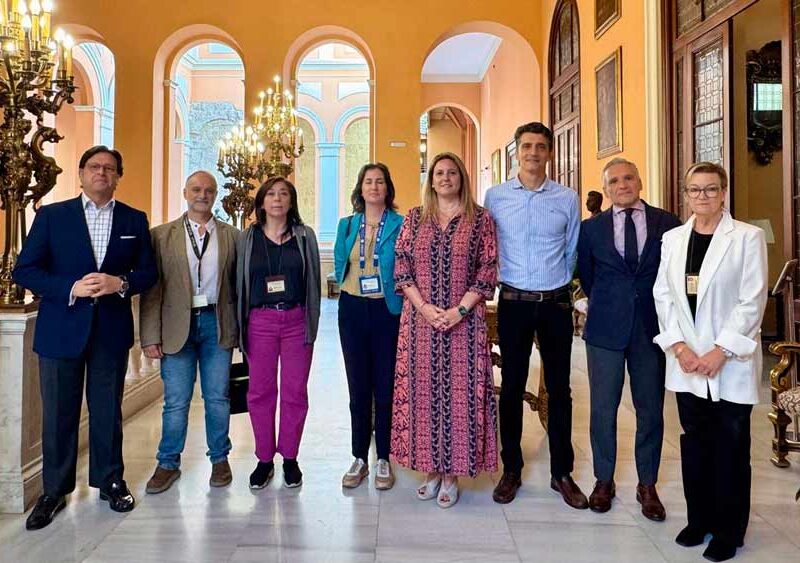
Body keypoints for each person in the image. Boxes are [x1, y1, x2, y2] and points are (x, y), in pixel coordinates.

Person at [13, 146, 157, 530]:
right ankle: (53, 491)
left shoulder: (133, 219)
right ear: (80, 174)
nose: (102, 173)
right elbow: (24, 270)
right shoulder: (51, 217)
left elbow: (148, 273)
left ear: (117, 177)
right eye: (94, 167)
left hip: (110, 332)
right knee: (59, 414)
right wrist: (71, 287)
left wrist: (119, 282)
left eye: (110, 168)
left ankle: (111, 481)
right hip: (61, 330)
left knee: (108, 412)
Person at [653, 162, 767, 562]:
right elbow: (663, 296)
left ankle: (728, 529)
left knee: (731, 447)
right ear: (685, 195)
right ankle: (698, 519)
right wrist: (681, 348)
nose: (702, 196)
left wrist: (721, 351)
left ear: (724, 193)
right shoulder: (672, 239)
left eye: (711, 189)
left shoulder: (747, 238)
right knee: (694, 444)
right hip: (686, 363)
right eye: (695, 190)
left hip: (729, 363)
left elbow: (751, 301)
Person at [484, 122, 585, 508]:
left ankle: (562, 472)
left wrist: (559, 285)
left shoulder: (566, 198)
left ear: (549, 152)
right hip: (513, 301)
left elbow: (572, 249)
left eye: (540, 147)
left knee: (560, 390)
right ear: (516, 152)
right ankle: (512, 469)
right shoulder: (495, 197)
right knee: (511, 388)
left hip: (555, 302)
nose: (533, 153)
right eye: (526, 147)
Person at [391, 152, 498, 509]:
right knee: (422, 395)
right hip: (419, 322)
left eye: (452, 172)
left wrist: (459, 311)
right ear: (431, 179)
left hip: (464, 325)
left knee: (460, 396)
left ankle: (452, 473)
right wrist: (423, 307)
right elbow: (402, 265)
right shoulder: (414, 218)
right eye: (439, 172)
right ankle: (430, 469)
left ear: (462, 178)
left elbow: (487, 269)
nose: (446, 177)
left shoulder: (480, 219)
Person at [576, 158, 681, 520]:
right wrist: (610, 303)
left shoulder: (667, 223)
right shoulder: (591, 230)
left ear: (640, 181)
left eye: (629, 178)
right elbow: (587, 276)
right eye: (614, 181)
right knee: (602, 409)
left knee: (650, 408)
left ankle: (647, 484)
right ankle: (603, 480)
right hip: (605, 329)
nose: (623, 185)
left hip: (651, 329)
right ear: (606, 190)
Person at [140, 171, 240, 494]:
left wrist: (240, 332)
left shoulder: (232, 237)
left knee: (217, 397)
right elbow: (152, 290)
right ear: (185, 192)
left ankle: (220, 460)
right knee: (176, 401)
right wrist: (149, 335)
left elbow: (238, 289)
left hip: (216, 324)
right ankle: (168, 463)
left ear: (216, 195)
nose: (203, 195)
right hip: (175, 327)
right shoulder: (161, 236)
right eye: (196, 189)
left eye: (209, 190)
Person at [236, 176, 321, 490]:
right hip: (260, 321)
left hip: (297, 319)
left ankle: (290, 457)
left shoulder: (305, 236)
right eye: (270, 193)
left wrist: (313, 321)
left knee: (295, 391)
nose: (277, 199)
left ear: (291, 201)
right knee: (260, 392)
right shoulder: (247, 239)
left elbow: (313, 280)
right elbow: (238, 284)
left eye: (284, 193)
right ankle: (263, 459)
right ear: (261, 201)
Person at [334, 163, 404, 490]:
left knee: (386, 385)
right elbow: (339, 265)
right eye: (368, 182)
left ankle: (384, 458)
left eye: (379, 182)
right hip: (352, 309)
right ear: (360, 189)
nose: (374, 187)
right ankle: (359, 456)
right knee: (357, 386)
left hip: (387, 310)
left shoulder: (402, 225)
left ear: (388, 189)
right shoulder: (347, 225)